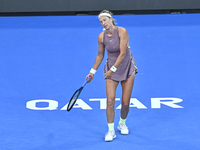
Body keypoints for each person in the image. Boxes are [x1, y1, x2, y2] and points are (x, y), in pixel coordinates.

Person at [86, 10, 138, 142]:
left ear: (111, 19)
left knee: (125, 103)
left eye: (105, 20)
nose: (104, 23)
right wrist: (92, 72)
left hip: (126, 68)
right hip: (111, 70)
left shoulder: (122, 31)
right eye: (101, 22)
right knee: (110, 101)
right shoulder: (101, 37)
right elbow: (100, 55)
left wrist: (112, 70)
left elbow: (122, 53)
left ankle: (122, 123)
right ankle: (110, 130)